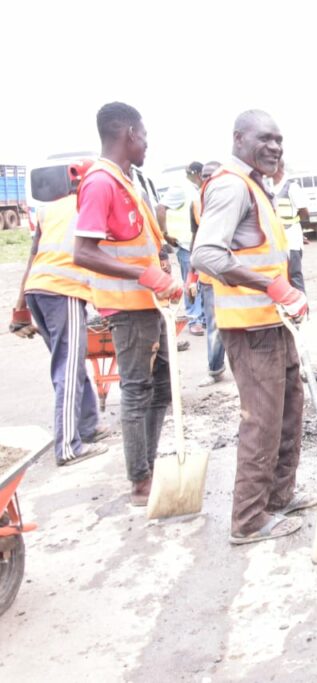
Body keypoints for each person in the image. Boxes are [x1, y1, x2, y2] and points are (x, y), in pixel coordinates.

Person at [191, 110, 313, 544]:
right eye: (265, 138)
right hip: (249, 327)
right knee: (262, 420)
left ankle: (279, 497)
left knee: (289, 410)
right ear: (239, 138)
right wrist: (272, 287)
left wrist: (286, 295)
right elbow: (205, 255)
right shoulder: (230, 185)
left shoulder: (257, 187)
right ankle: (247, 519)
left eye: (279, 139)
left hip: (272, 322)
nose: (275, 147)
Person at [73, 102, 181, 506]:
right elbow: (82, 251)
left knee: (162, 388)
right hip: (128, 307)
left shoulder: (126, 180)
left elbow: (138, 243)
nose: (147, 146)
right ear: (130, 134)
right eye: (145, 137)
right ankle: (140, 480)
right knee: (137, 390)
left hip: (149, 302)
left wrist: (163, 269)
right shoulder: (101, 182)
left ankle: (147, 464)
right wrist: (142, 275)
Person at [11, 158, 111, 466]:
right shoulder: (89, 206)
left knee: (71, 363)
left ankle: (89, 426)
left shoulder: (47, 209)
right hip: (62, 290)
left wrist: (20, 309)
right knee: (67, 369)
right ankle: (68, 446)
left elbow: (32, 257)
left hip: (38, 291)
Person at [186, 161, 227, 386]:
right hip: (209, 278)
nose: (209, 180)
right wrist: (191, 276)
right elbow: (196, 239)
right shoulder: (197, 202)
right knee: (214, 326)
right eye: (205, 176)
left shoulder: (233, 197)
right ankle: (214, 369)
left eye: (214, 175)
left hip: (233, 275)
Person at [157, 161, 205, 334]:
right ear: (198, 174)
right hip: (185, 243)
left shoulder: (195, 188)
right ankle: (194, 319)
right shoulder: (181, 188)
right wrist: (164, 233)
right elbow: (161, 208)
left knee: (201, 282)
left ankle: (202, 317)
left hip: (198, 243)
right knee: (190, 282)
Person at [271, 158, 306, 293]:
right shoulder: (269, 187)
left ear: (277, 167)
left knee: (294, 275)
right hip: (277, 239)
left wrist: (296, 229)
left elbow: (304, 211)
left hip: (291, 238)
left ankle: (302, 309)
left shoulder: (292, 186)